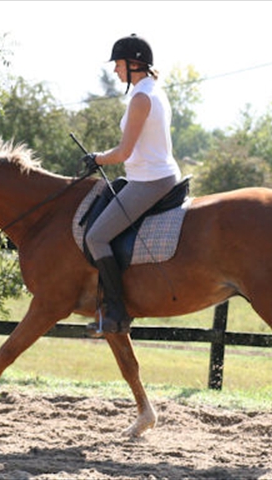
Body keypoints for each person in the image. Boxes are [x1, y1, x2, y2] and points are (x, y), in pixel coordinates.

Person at [82, 33, 182, 337]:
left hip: (150, 181)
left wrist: (98, 159)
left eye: (118, 64)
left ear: (134, 63)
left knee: (96, 237)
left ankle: (116, 313)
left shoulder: (141, 98)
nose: (115, 70)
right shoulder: (152, 90)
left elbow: (124, 152)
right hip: (149, 174)